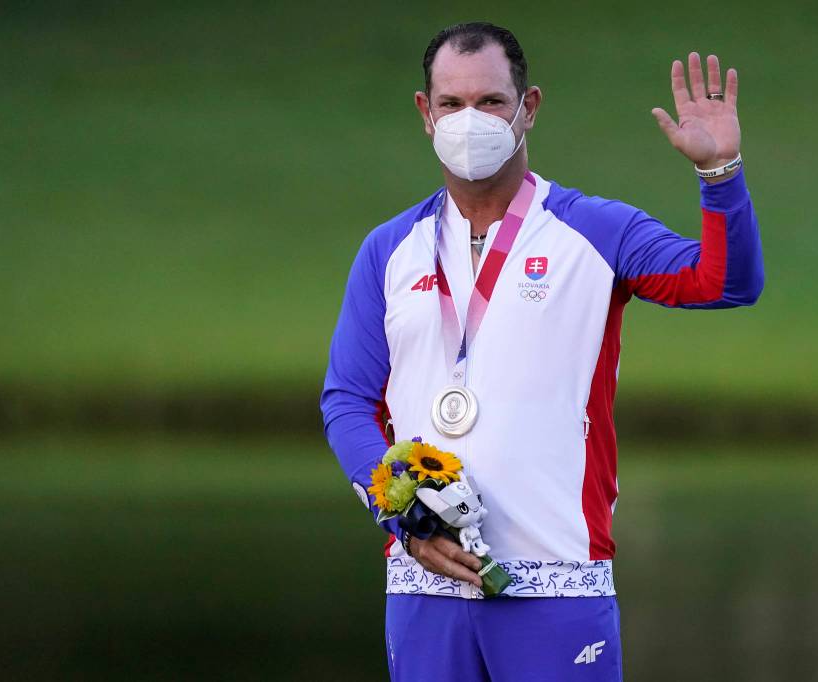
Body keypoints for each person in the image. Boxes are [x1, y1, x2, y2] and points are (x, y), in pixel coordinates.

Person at [320, 21, 763, 682]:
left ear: (528, 109)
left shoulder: (595, 229)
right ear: (425, 113)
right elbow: (348, 400)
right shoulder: (389, 250)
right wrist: (400, 515)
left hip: (558, 584)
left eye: (492, 101)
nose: (471, 120)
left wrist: (718, 174)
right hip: (423, 585)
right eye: (452, 104)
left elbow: (724, 284)